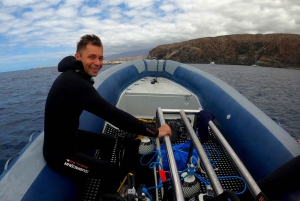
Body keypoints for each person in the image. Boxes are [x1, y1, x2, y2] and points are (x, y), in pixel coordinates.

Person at [43, 34, 172, 194]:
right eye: (92, 57)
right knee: (112, 172)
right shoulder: (75, 84)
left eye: (100, 58)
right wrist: (156, 131)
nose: (98, 63)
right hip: (59, 153)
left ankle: (98, 169)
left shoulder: (74, 74)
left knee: (111, 141)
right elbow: (114, 116)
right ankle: (108, 188)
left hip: (70, 137)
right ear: (78, 56)